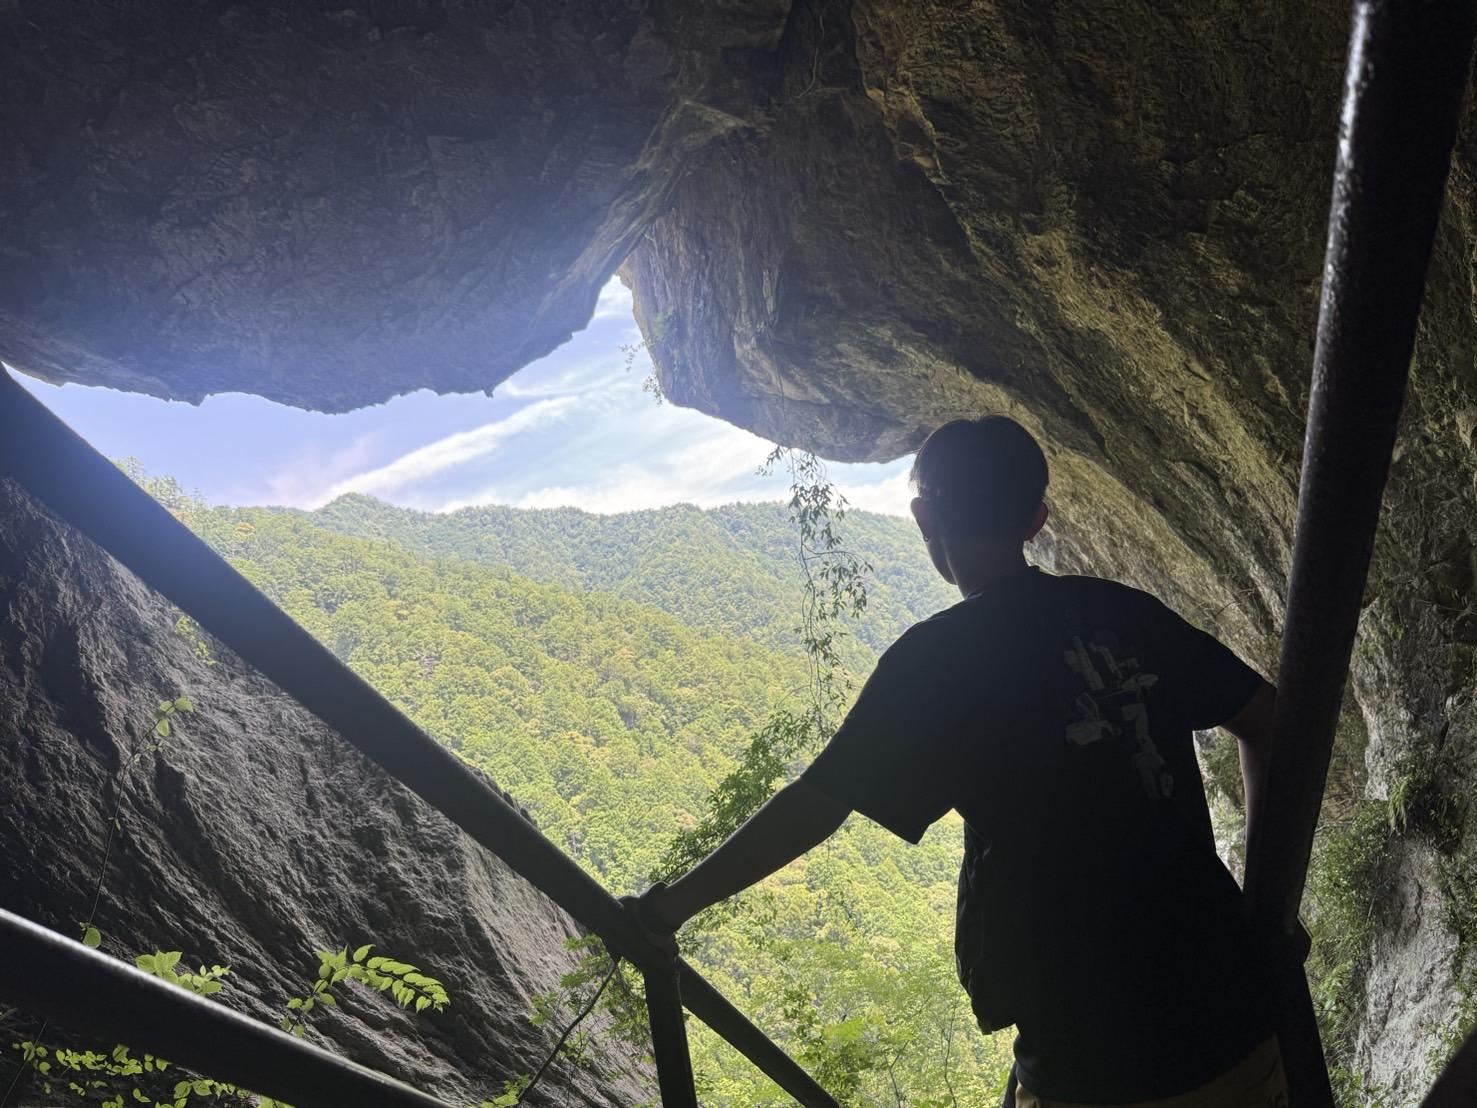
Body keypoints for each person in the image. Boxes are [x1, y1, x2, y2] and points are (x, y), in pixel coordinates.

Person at [627, 416, 1287, 1107]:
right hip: (1239, 1021)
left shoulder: (934, 661)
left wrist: (666, 910)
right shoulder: (1124, 612)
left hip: (1094, 1056)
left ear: (924, 519)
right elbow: (1265, 719)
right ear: (1036, 519)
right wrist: (1265, 901)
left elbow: (815, 805)